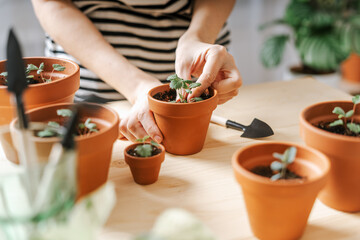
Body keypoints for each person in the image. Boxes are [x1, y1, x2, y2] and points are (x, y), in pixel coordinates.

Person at [31, 0, 242, 143]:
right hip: (94, 82)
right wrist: (137, 86)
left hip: (197, 67)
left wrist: (199, 37)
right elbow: (50, 3)